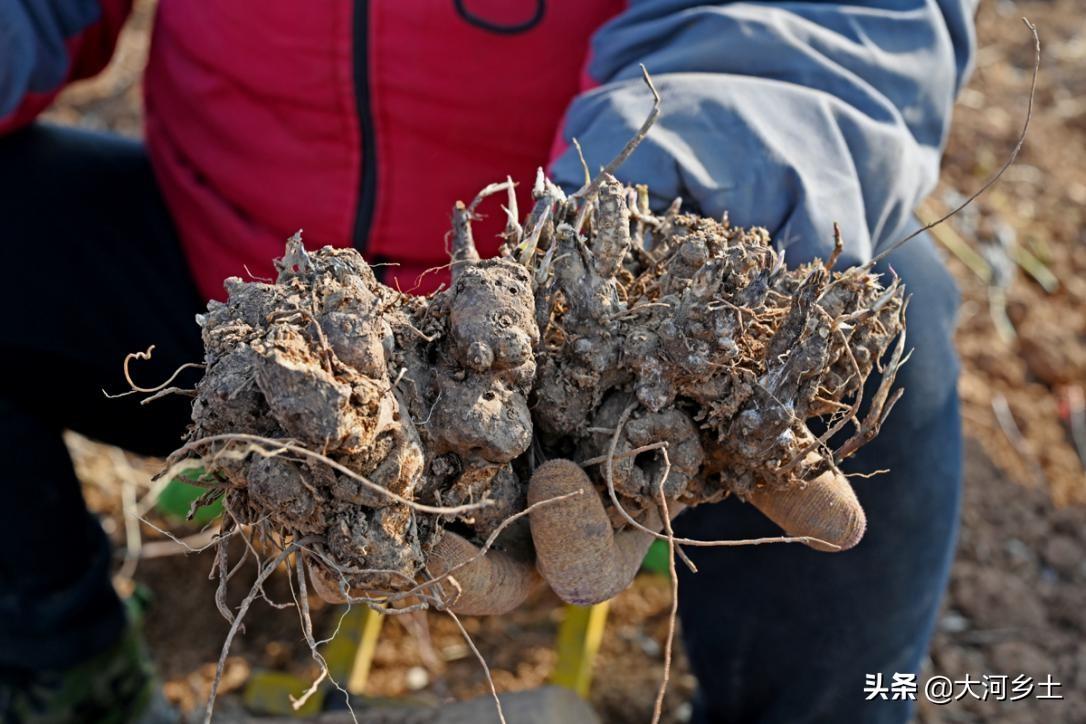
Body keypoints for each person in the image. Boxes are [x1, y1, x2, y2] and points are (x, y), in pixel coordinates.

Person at [0, 1, 974, 722]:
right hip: (253, 328)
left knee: (876, 322)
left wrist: (672, 223)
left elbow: (818, 23)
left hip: (590, 333)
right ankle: (68, 668)